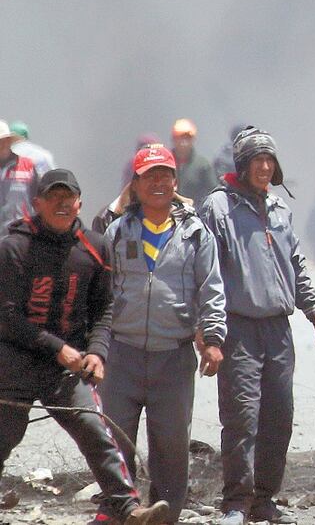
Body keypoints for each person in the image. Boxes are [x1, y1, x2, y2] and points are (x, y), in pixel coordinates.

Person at [0, 169, 170, 525]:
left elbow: (103, 307)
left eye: (69, 197)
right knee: (4, 436)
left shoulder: (95, 246)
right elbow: (8, 316)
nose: (63, 204)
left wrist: (97, 352)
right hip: (14, 361)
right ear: (38, 203)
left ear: (79, 202)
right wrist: (57, 347)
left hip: (68, 366)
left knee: (94, 429)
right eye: (54, 197)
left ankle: (128, 508)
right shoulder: (13, 246)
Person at [199, 127, 315, 525]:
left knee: (279, 416)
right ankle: (236, 503)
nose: (263, 166)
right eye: (256, 159)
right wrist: (208, 335)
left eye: (269, 160)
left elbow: (296, 266)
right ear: (241, 164)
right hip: (237, 328)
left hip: (278, 330)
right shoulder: (217, 208)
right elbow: (206, 273)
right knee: (241, 418)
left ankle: (264, 500)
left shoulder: (279, 209)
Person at [100, 145, 227, 524]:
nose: (157, 183)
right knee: (115, 441)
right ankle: (119, 511)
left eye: (164, 175)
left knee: (171, 444)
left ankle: (166, 515)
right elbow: (99, 289)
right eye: (148, 176)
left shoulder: (195, 233)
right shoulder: (117, 231)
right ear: (135, 184)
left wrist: (214, 339)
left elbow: (212, 288)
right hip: (121, 354)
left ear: (175, 182)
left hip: (173, 355)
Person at [0, 120, 38, 241]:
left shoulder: (28, 166)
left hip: (20, 236)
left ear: (8, 141)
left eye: (2, 140)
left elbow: (39, 200)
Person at [171, 118, 218, 206]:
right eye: (180, 137)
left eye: (187, 138)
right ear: (174, 139)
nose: (184, 142)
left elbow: (213, 191)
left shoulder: (202, 165)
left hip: (196, 213)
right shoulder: (165, 163)